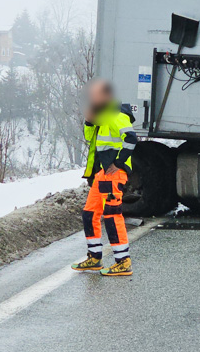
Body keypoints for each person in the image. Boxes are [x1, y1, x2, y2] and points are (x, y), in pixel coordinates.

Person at [71, 79, 137, 276]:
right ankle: (94, 258)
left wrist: (118, 163)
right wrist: (89, 121)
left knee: (111, 214)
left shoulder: (116, 114)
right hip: (102, 173)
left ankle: (123, 262)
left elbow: (131, 139)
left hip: (114, 173)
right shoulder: (103, 115)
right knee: (89, 213)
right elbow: (90, 138)